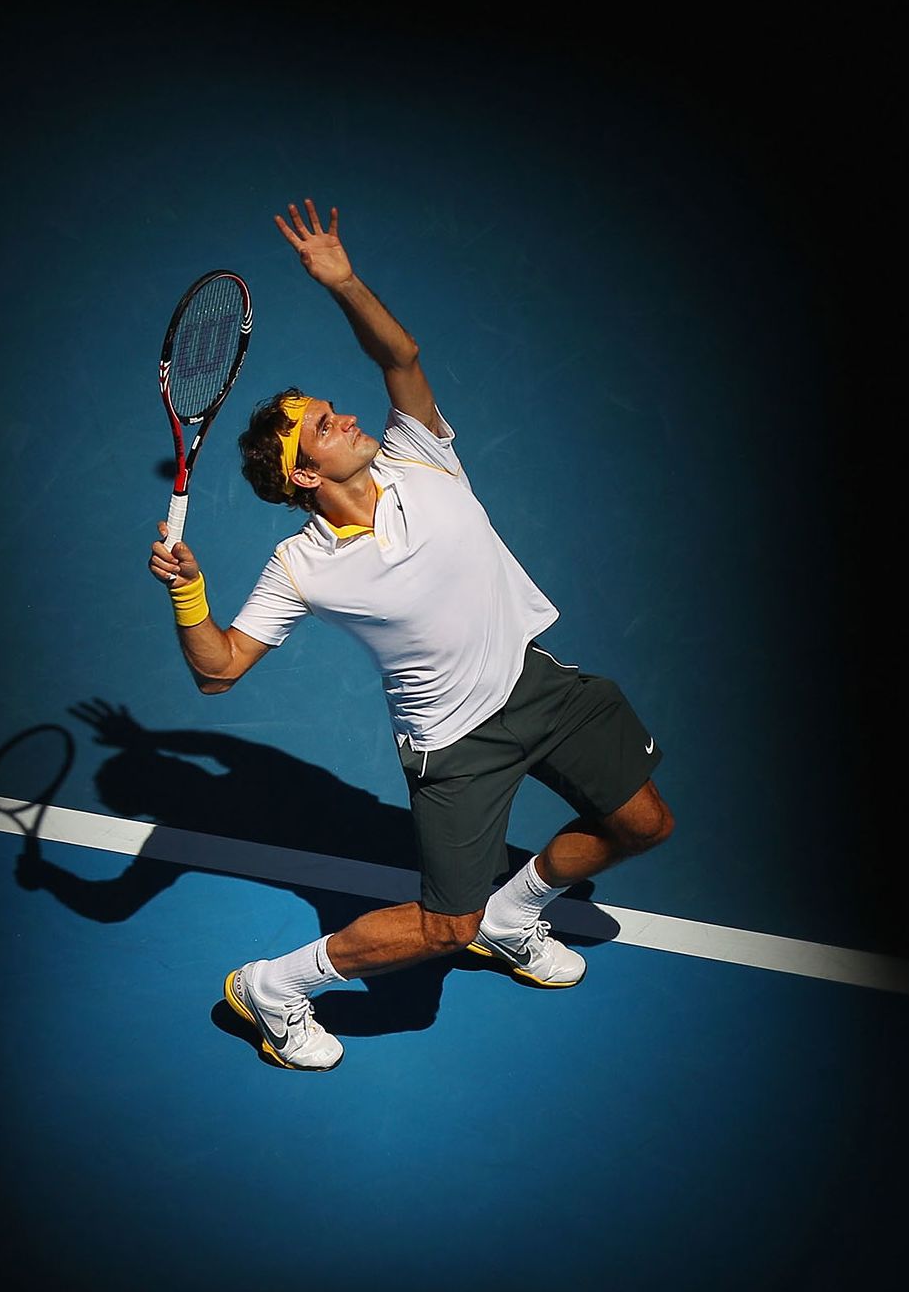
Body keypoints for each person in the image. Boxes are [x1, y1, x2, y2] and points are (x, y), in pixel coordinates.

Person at [151, 198, 675, 1071]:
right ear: (305, 474)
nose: (346, 417)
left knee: (644, 822)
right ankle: (272, 989)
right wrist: (191, 592)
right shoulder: (301, 565)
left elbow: (401, 355)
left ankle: (514, 917)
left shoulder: (418, 450)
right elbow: (218, 672)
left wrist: (343, 280)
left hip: (538, 684)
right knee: (443, 926)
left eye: (332, 408)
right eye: (326, 425)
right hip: (454, 747)